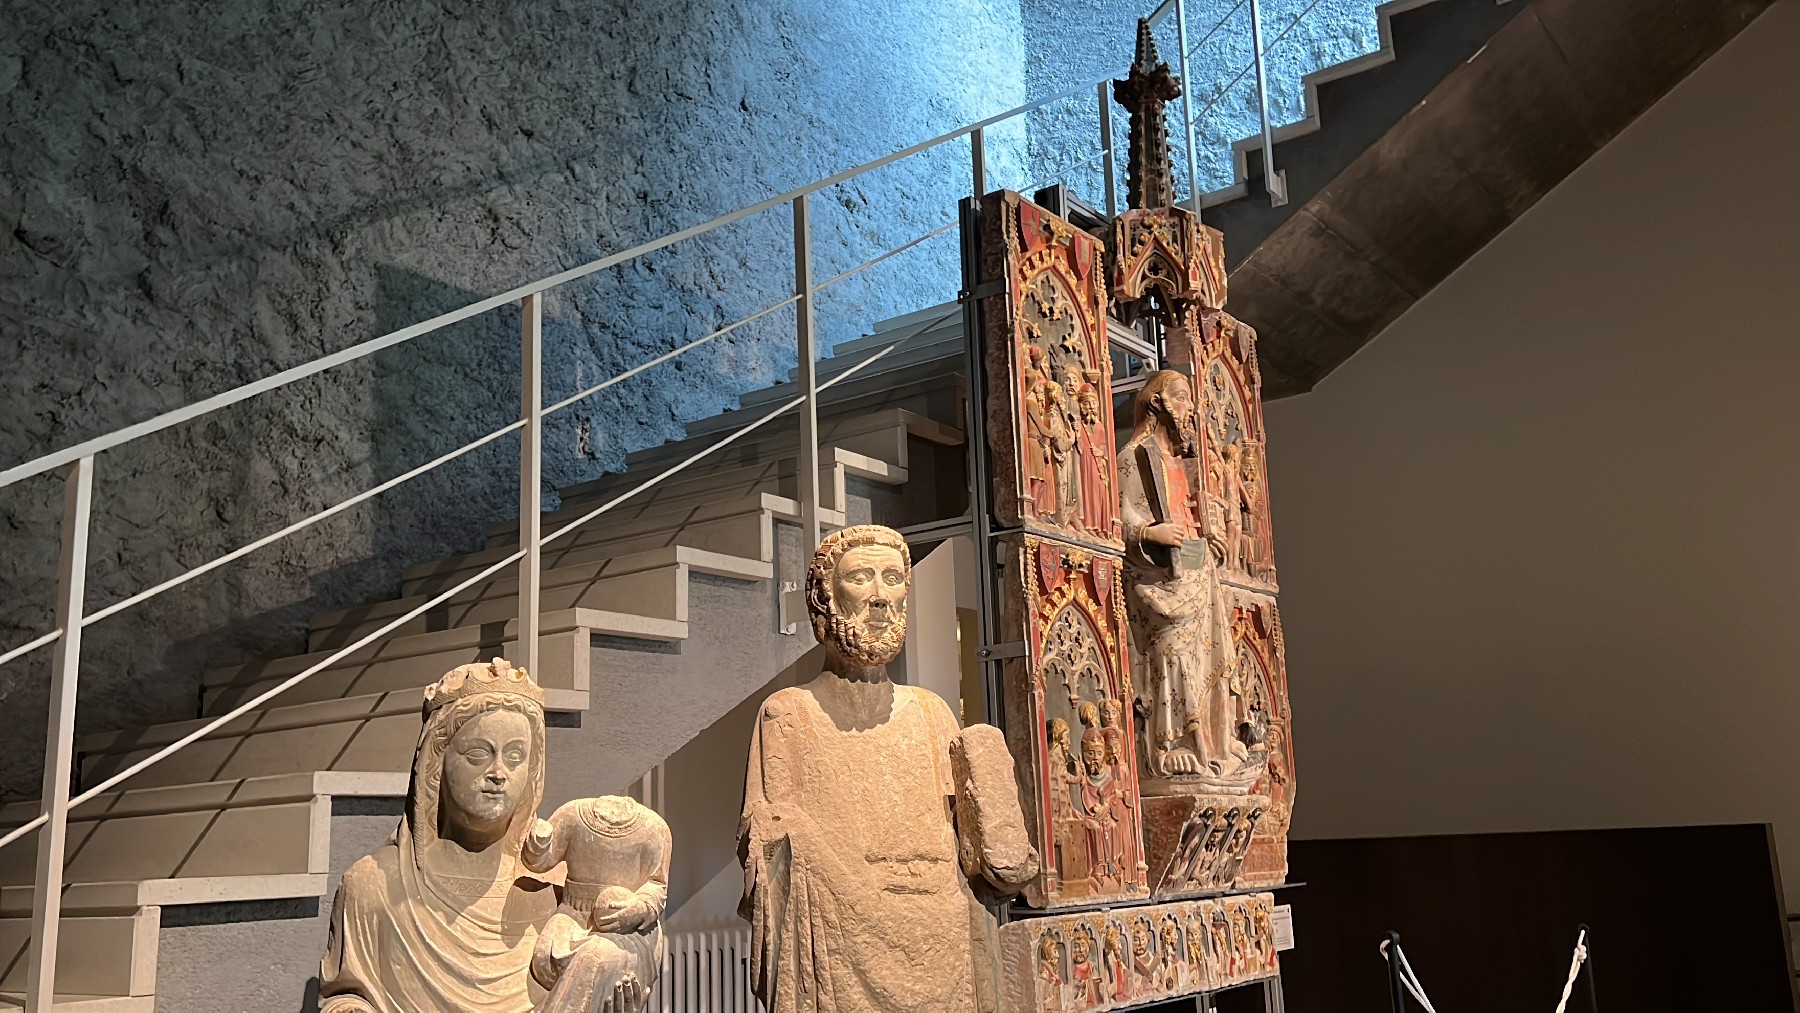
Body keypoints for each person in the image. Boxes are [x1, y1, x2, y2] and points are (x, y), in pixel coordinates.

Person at [739, 525, 1036, 1013]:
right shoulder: (787, 714)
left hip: (945, 943)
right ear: (823, 599)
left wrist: (1002, 846)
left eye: (893, 578)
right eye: (861, 577)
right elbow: (766, 851)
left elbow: (978, 856)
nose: (880, 596)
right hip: (840, 953)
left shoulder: (931, 712)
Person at [319, 659, 654, 1013]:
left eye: (515, 756)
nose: (498, 772)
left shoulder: (556, 889)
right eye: (478, 754)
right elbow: (345, 996)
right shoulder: (374, 886)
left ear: (533, 769)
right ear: (436, 761)